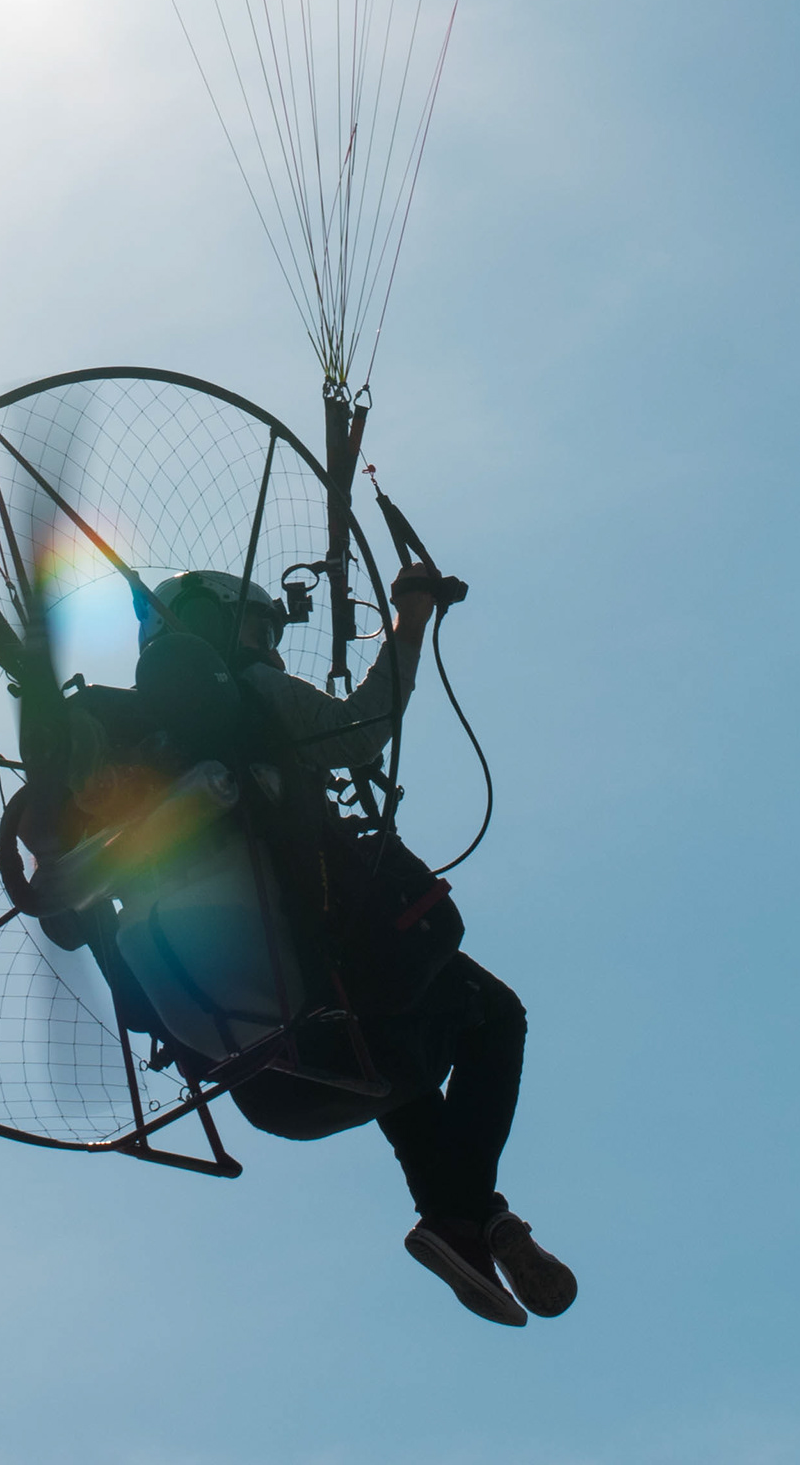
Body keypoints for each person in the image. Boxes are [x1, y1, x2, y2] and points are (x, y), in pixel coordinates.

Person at [136, 562, 578, 1329]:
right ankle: (468, 1217)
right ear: (214, 627)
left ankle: (476, 1221)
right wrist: (410, 621)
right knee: (493, 1014)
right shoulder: (245, 692)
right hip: (329, 1014)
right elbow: (361, 731)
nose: (271, 646)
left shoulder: (140, 752)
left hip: (273, 1076)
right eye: (259, 628)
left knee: (403, 1060)